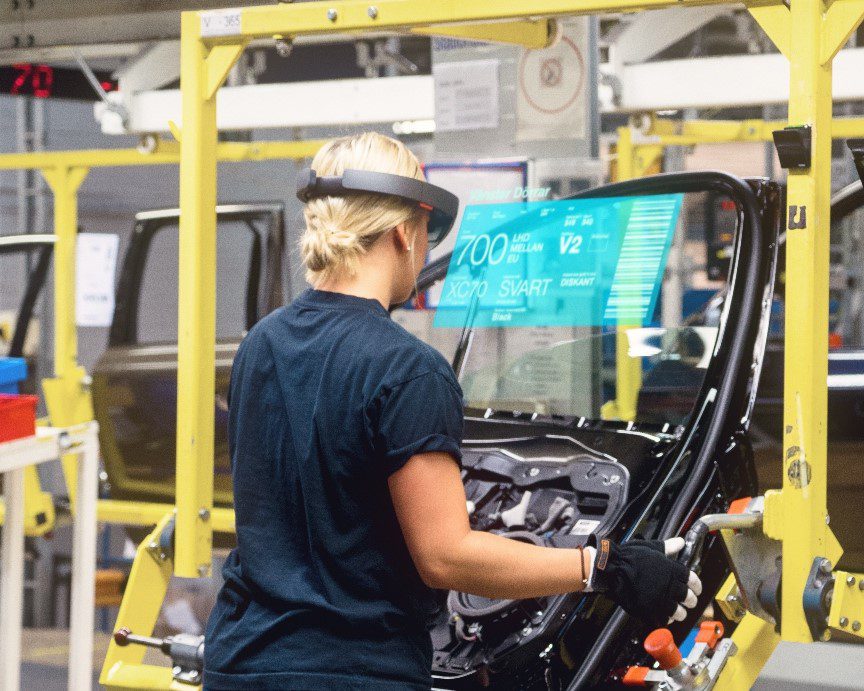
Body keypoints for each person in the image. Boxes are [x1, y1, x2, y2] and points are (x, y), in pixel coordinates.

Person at [203, 132, 701, 690]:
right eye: (425, 232)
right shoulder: (406, 369)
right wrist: (605, 566)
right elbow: (446, 557)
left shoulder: (261, 344)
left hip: (240, 660)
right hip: (351, 673)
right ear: (402, 231)